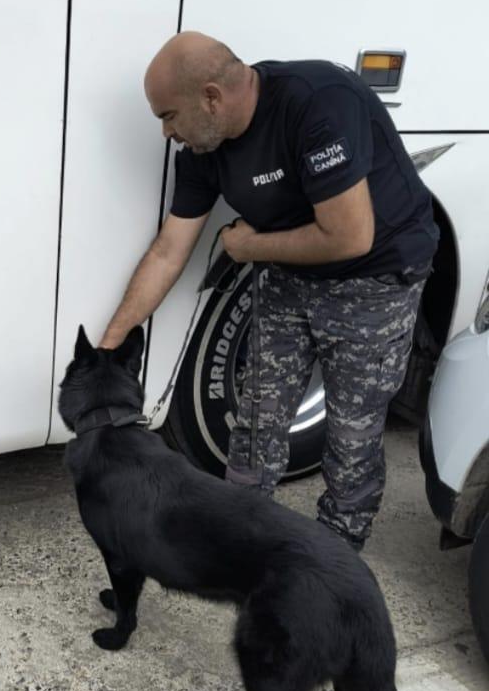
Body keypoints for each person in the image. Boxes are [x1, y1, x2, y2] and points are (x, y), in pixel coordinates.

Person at [99, 31, 439, 551]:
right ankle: (239, 531)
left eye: (168, 116)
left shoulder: (317, 102)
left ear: (211, 97)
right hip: (288, 270)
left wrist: (250, 246)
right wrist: (109, 347)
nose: (167, 132)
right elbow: (169, 251)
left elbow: (350, 236)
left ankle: (336, 553)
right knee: (258, 414)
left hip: (373, 278)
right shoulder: (203, 147)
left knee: (351, 431)